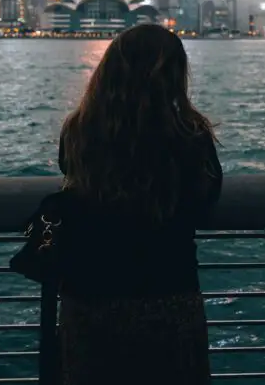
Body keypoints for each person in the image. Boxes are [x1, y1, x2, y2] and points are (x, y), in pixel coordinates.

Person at [56, 23, 222, 385]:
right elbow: (206, 196)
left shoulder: (79, 131)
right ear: (176, 75)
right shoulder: (190, 137)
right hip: (168, 294)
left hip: (90, 297)